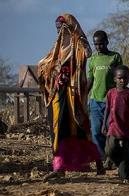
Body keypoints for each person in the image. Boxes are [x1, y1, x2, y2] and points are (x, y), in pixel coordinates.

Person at [38, 14, 103, 181]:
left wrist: (79, 34)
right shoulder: (56, 49)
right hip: (58, 95)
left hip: (75, 96)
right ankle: (59, 167)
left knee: (80, 127)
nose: (59, 32)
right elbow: (46, 65)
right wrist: (53, 72)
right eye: (57, 29)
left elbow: (88, 54)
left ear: (70, 28)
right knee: (58, 128)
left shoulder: (78, 45)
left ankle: (96, 162)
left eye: (62, 28)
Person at [87, 30, 123, 163]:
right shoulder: (93, 60)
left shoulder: (115, 57)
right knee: (96, 131)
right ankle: (101, 158)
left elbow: (121, 77)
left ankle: (112, 157)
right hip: (95, 100)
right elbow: (90, 80)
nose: (98, 47)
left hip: (111, 101)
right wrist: (84, 95)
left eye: (101, 44)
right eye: (96, 44)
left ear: (107, 42)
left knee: (111, 131)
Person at [102, 65, 129, 182]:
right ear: (115, 79)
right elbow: (107, 108)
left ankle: (126, 176)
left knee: (127, 154)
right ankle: (117, 163)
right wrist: (103, 124)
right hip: (113, 127)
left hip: (128, 129)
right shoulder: (111, 93)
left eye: (126, 78)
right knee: (109, 150)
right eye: (120, 78)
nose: (123, 80)